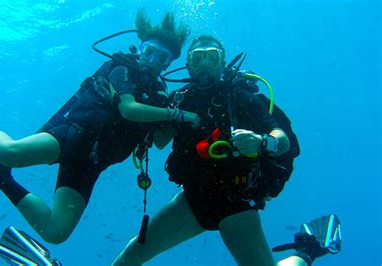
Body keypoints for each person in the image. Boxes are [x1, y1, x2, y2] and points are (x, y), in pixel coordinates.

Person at [0, 9, 199, 244]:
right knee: (10, 152)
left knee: (55, 232)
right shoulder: (123, 68)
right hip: (75, 135)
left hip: (92, 163)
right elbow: (129, 109)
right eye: (150, 52)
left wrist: (181, 115)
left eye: (163, 58)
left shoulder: (160, 96)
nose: (154, 61)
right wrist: (180, 116)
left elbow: (160, 141)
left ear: (170, 63)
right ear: (140, 49)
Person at [112, 35, 336, 266]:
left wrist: (262, 142)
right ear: (188, 64)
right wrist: (145, 104)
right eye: (197, 58)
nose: (205, 65)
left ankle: (307, 251)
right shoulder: (179, 100)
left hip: (234, 202)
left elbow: (283, 140)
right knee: (132, 254)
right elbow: (159, 141)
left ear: (222, 62)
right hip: (193, 198)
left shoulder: (240, 97)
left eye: (212, 57)